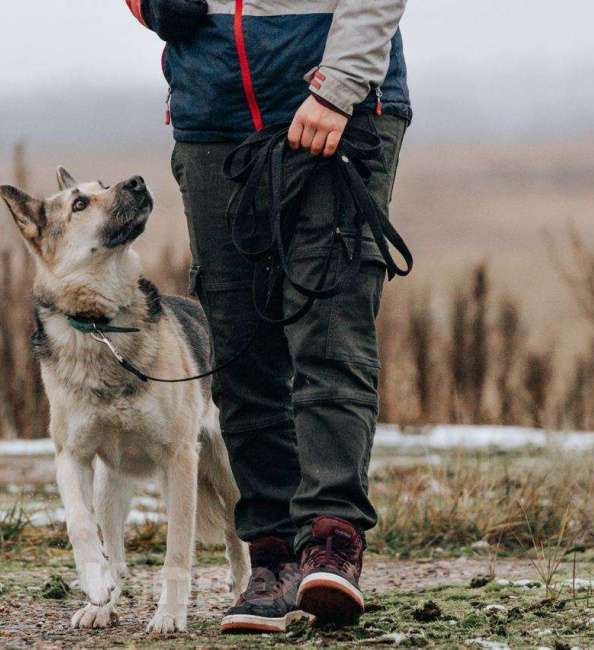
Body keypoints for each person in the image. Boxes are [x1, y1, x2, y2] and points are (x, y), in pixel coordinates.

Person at [125, 0, 411, 633]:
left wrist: (337, 90)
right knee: (239, 346)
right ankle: (272, 558)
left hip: (338, 107)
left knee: (329, 330)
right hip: (213, 116)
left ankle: (331, 541)